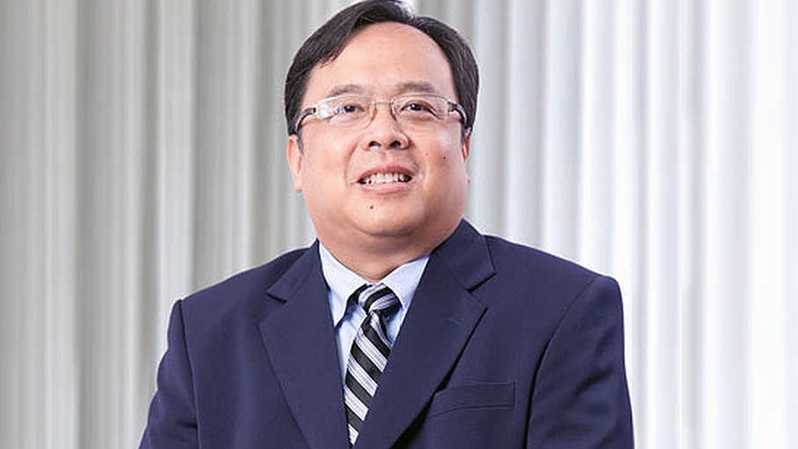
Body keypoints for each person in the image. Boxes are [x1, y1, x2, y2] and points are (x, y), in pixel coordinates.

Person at [138, 1, 634, 448]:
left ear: (464, 146)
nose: (384, 133)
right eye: (347, 109)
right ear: (297, 158)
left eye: (417, 107)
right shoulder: (209, 333)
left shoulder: (562, 311)